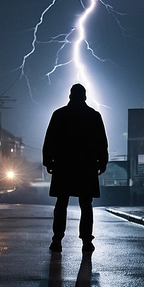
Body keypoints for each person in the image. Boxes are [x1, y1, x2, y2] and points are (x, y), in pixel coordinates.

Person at [43, 84, 108, 253]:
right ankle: (86, 241)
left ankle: (57, 239)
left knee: (61, 203)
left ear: (70, 96)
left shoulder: (59, 115)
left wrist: (48, 161)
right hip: (86, 165)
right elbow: (102, 142)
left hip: (63, 165)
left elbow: (49, 139)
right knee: (86, 204)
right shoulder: (94, 116)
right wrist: (102, 162)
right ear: (85, 97)